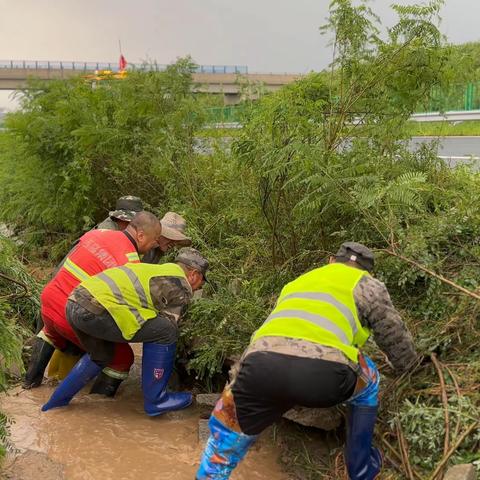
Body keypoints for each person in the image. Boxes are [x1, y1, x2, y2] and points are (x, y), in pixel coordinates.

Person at [196, 242, 417, 480]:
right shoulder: (368, 284)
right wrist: (411, 369)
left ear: (331, 261)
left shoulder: (297, 283)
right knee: (370, 380)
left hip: (260, 366)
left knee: (224, 440)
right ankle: (361, 469)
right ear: (367, 271)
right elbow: (393, 335)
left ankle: (210, 474)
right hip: (326, 375)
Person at [41, 248, 208, 416]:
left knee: (101, 356)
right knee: (166, 331)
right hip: (96, 309)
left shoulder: (156, 269)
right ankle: (157, 400)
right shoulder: (181, 283)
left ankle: (55, 404)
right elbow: (171, 324)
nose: (199, 287)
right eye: (201, 281)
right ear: (193, 275)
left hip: (74, 303)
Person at [23, 212, 162, 392]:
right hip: (70, 312)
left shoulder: (99, 233)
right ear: (141, 235)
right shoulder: (130, 262)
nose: (154, 245)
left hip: (49, 301)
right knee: (121, 358)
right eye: (154, 240)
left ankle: (29, 384)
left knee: (51, 332)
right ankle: (93, 407)